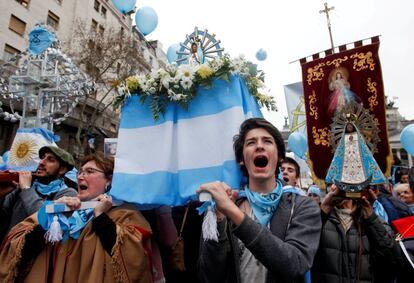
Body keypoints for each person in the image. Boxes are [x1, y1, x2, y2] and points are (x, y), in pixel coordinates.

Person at [198, 118, 322, 283]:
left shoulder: (302, 206)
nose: (259, 146)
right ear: (242, 159)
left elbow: (296, 265)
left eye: (267, 141)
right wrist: (220, 218)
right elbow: (210, 276)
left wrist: (235, 215)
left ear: (278, 157)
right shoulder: (226, 206)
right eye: (251, 142)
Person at [0, 153, 153, 282]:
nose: (80, 176)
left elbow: (134, 260)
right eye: (80, 172)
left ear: (109, 180)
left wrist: (100, 217)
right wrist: (51, 217)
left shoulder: (125, 214)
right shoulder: (66, 208)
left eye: (90, 171)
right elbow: (17, 249)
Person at [311, 185, 401, 283]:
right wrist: (322, 213)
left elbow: (394, 262)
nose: (333, 187)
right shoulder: (319, 219)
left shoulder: (373, 220)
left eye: (339, 183)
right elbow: (304, 255)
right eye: (330, 184)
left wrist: (371, 219)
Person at [0, 146, 77, 241]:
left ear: (62, 169)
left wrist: (26, 189)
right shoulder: (25, 186)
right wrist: (2, 194)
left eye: (50, 160)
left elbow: (42, 219)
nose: (41, 162)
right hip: (8, 250)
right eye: (42, 158)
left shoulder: (68, 193)